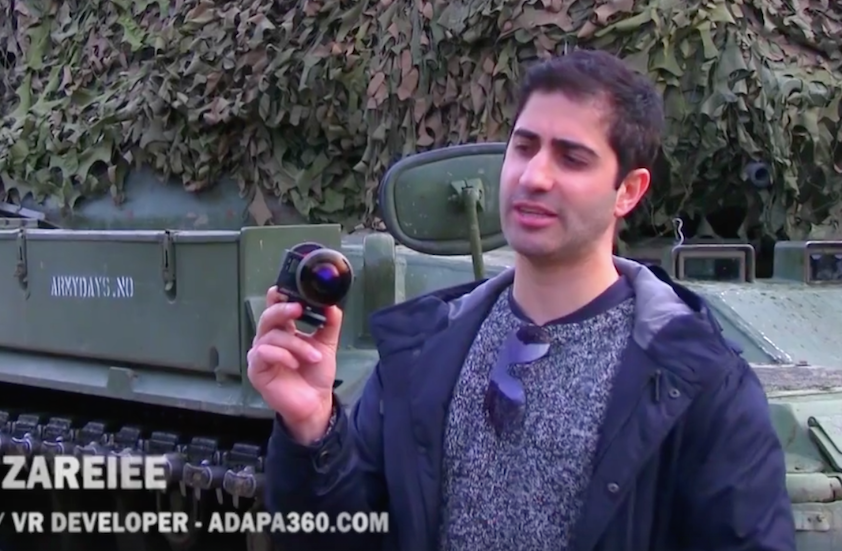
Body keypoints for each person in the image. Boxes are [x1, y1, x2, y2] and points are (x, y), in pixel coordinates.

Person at [246, 49, 795, 551]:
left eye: (572, 159)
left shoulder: (696, 382)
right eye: (525, 147)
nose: (534, 177)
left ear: (628, 191)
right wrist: (313, 431)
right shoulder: (423, 353)